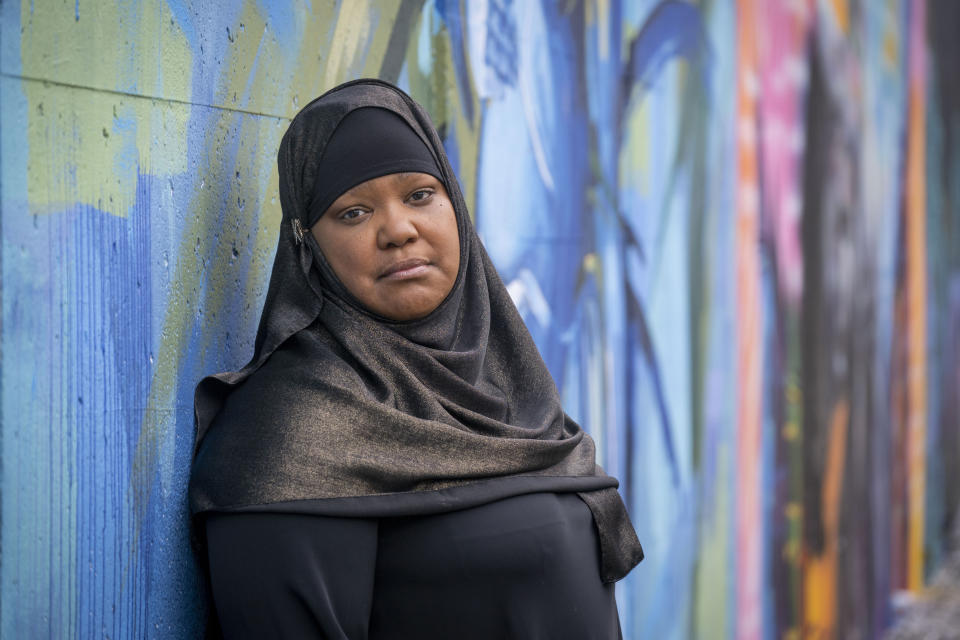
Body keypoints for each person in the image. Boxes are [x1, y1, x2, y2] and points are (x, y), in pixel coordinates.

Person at [189, 79, 643, 639]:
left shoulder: (507, 392)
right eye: (352, 212)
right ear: (308, 246)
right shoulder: (290, 435)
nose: (398, 231)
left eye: (420, 195)